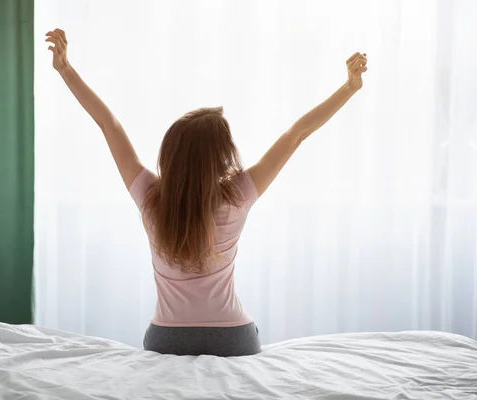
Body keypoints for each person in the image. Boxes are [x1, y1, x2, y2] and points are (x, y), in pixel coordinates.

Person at [45, 28, 367, 357]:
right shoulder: (238, 195)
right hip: (233, 338)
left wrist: (66, 69)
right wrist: (349, 88)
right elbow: (297, 133)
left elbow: (108, 124)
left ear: (171, 155)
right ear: (220, 158)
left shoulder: (149, 197)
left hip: (167, 338)